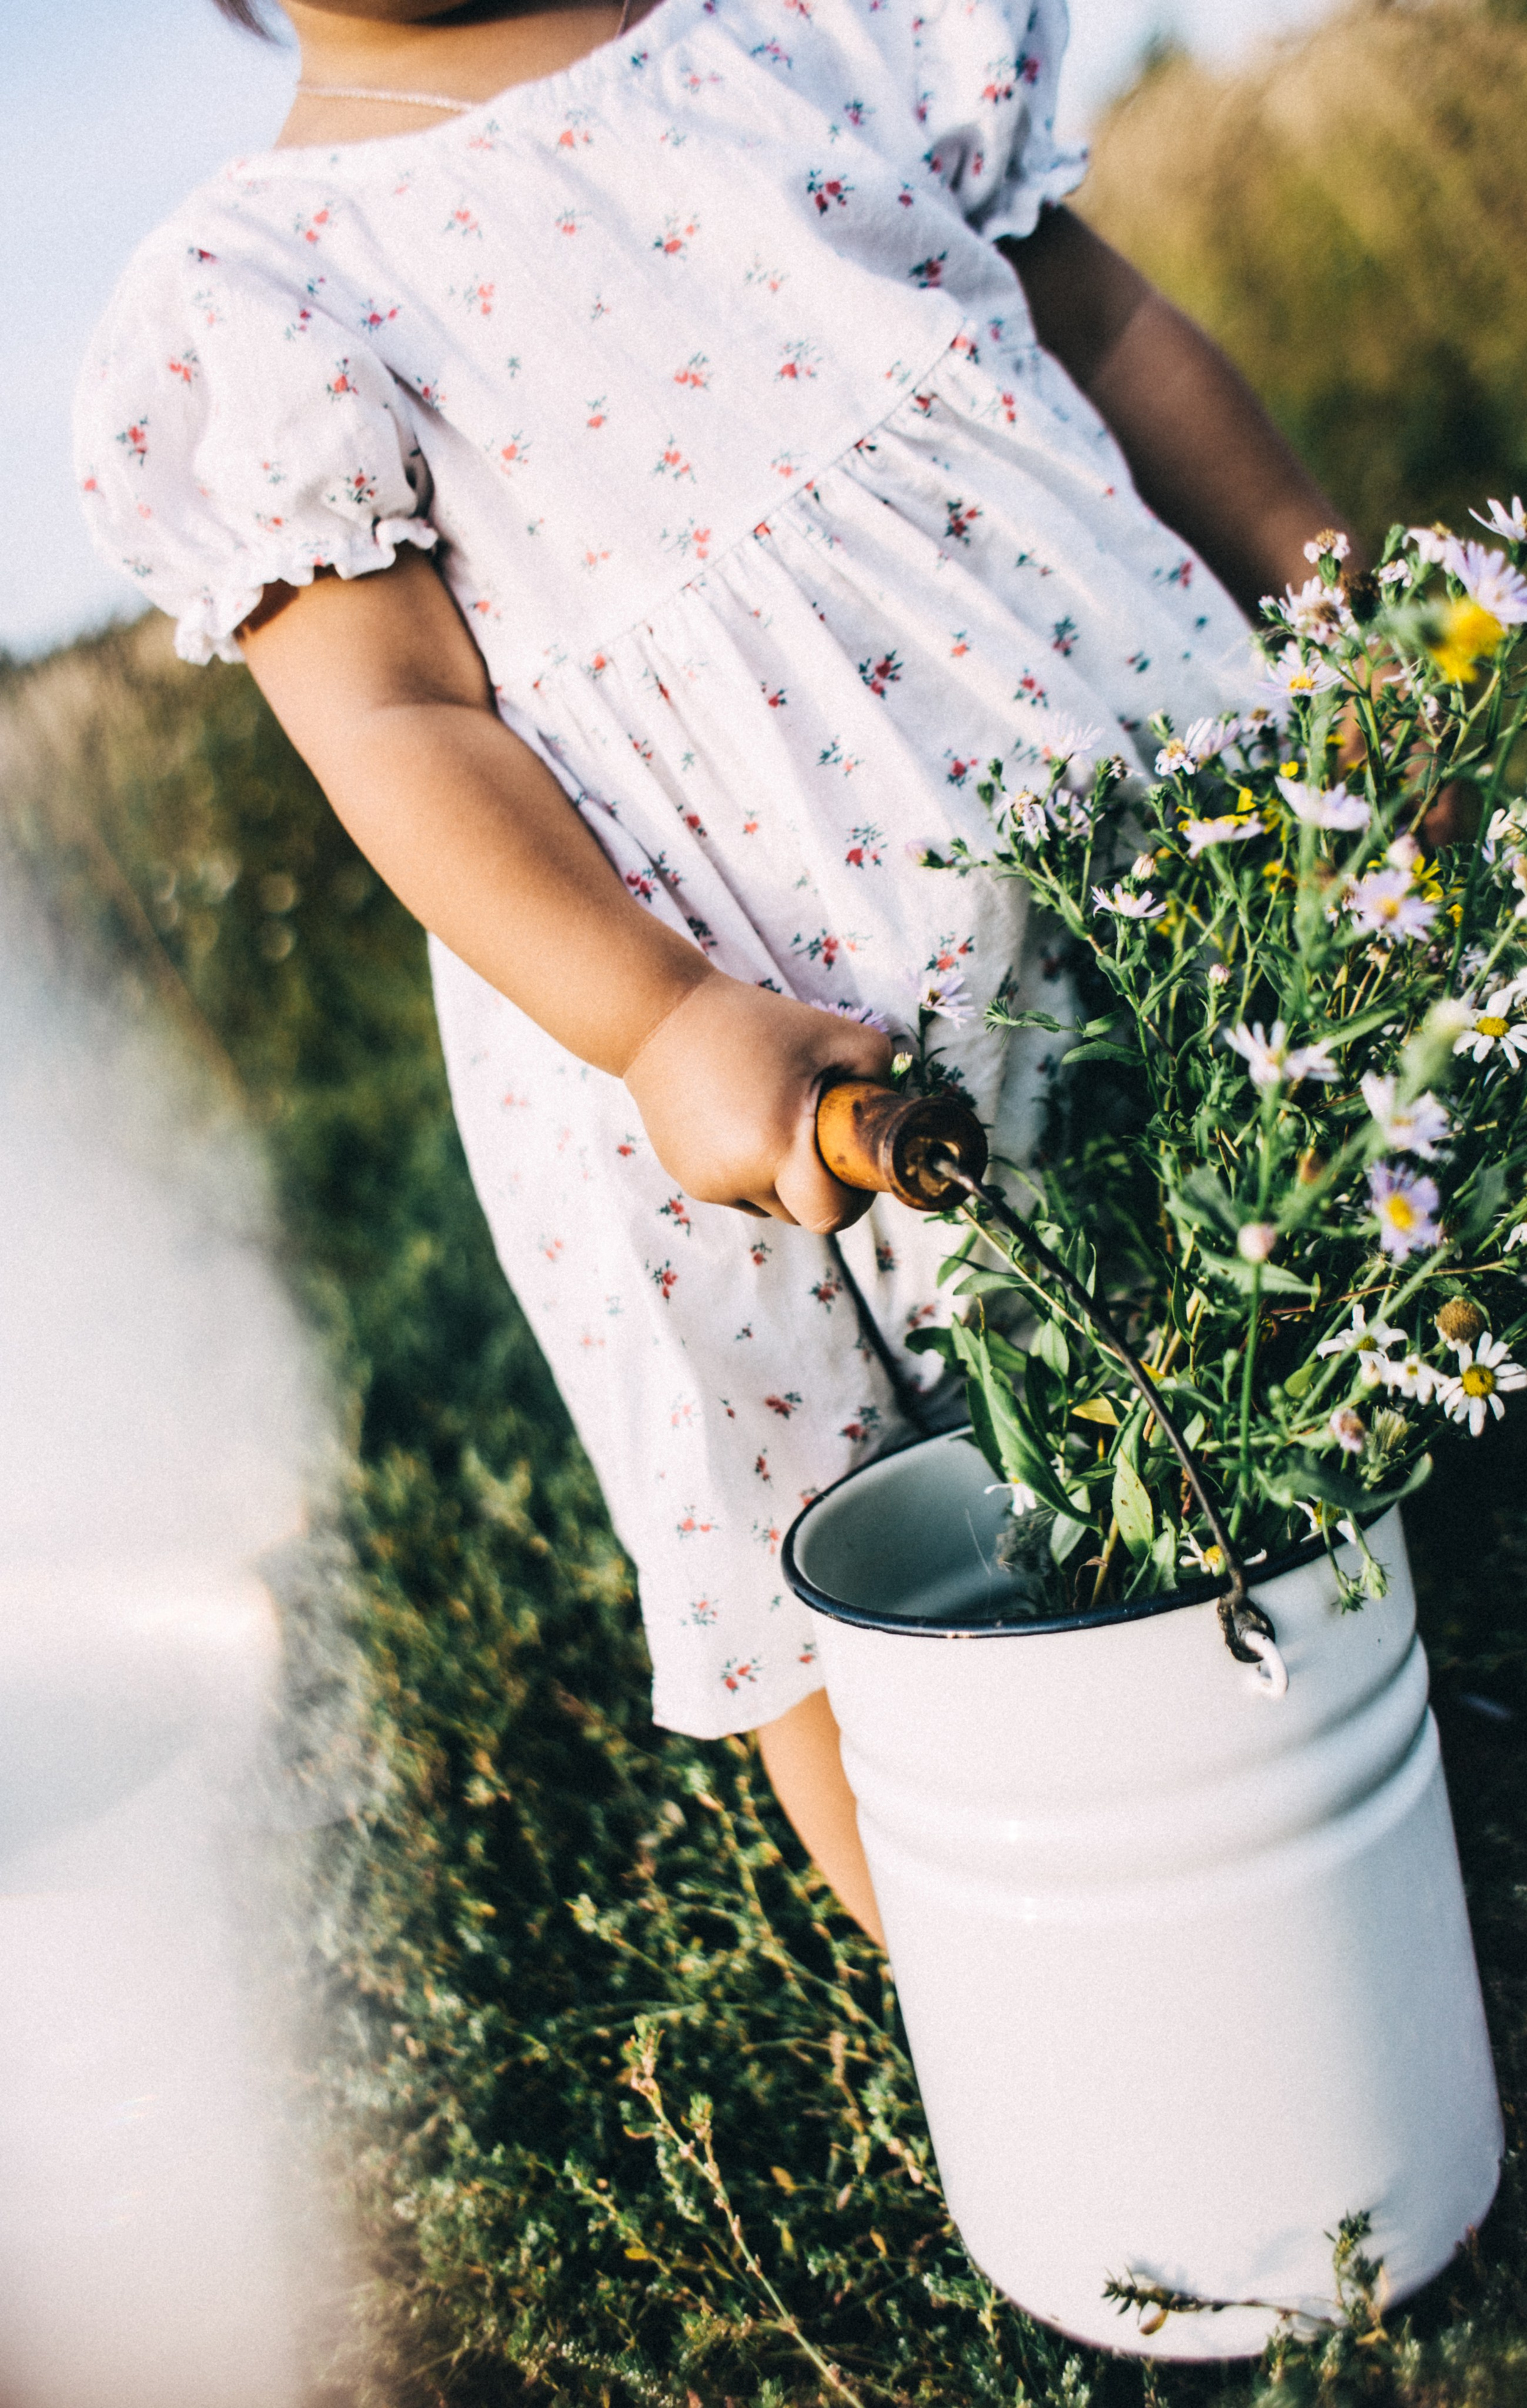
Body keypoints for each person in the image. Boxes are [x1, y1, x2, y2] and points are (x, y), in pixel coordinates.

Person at [77, 0, 1351, 1945]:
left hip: (1116, 839)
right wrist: (658, 1016)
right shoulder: (268, 292)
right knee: (822, 1494)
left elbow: (1103, 332)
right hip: (742, 1015)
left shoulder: (806, 27)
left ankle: (1333, 1671)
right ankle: (1004, 1975)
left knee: (1256, 1279)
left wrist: (1331, 604)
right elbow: (396, 715)